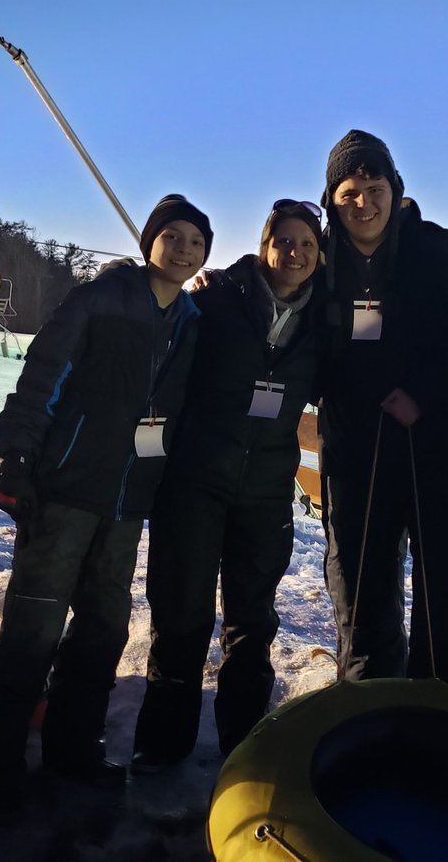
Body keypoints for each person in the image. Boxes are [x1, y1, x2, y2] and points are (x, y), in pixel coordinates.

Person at [0, 194, 211, 805]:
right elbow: (44, 373)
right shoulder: (102, 297)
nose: (183, 249)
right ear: (150, 241)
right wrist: (19, 458)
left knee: (103, 630)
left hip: (128, 501)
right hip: (68, 489)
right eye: (172, 236)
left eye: (196, 242)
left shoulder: (190, 322)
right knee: (32, 630)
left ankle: (72, 753)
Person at [131, 199, 322, 770]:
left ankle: (246, 746)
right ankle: (163, 745)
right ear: (265, 246)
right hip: (195, 481)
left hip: (265, 492)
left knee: (253, 620)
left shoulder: (324, 320)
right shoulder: (217, 299)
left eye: (308, 245)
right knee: (181, 613)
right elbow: (158, 366)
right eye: (285, 241)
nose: (295, 253)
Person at [315, 129, 448, 690]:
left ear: (395, 188)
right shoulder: (317, 260)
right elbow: (271, 294)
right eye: (349, 192)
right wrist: (215, 283)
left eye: (374, 186)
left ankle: (440, 700)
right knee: (360, 578)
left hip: (431, 445)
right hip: (353, 448)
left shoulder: (442, 254)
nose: (363, 203)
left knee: (445, 581)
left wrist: (425, 393)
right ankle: (368, 693)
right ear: (331, 200)